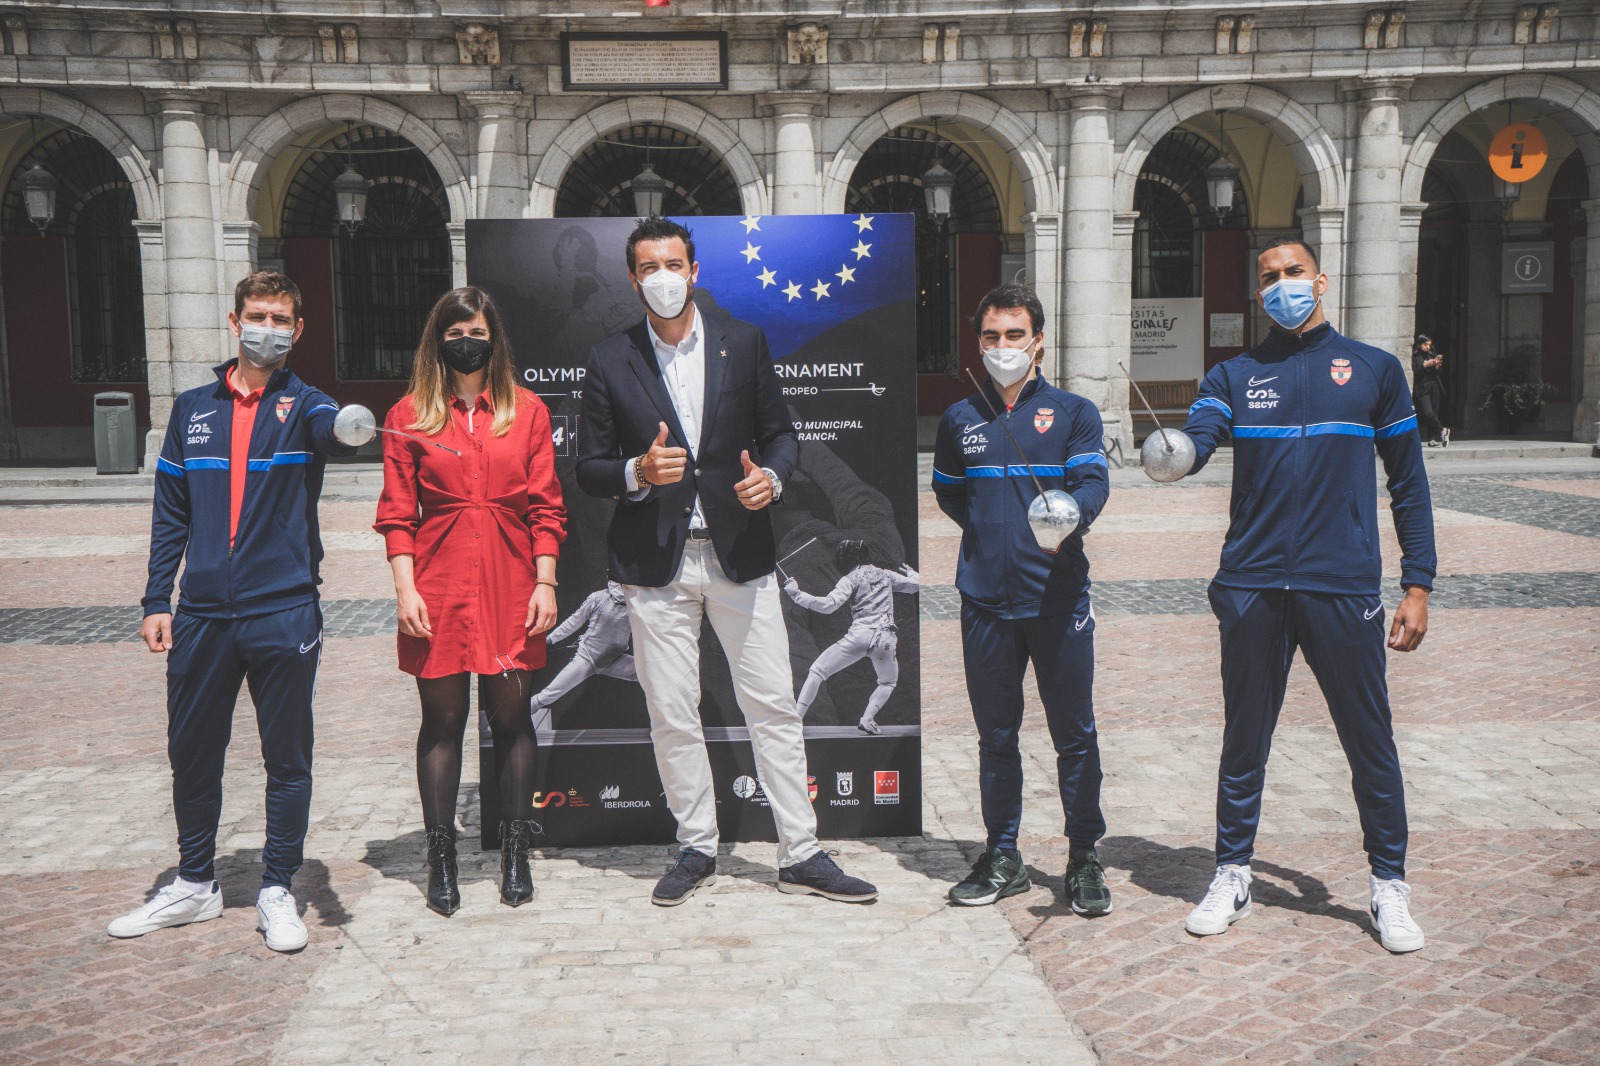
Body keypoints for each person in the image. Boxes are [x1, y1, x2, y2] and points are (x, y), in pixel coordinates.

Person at [575, 216, 878, 907]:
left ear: (694, 271)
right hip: (656, 565)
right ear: (633, 280)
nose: (662, 278)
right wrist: (636, 471)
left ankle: (801, 852)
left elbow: (781, 436)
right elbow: (589, 467)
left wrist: (770, 479)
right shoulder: (610, 358)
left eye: (672, 264)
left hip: (740, 555)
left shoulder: (743, 343)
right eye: (648, 267)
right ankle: (696, 847)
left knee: (772, 703)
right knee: (671, 710)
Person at [1175, 237, 1437, 953]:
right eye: (1269, 277)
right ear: (1258, 292)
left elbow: (1408, 483)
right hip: (1251, 585)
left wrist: (1417, 583)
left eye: (1293, 272)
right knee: (1244, 739)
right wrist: (1178, 452)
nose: (1282, 285)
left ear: (1320, 281)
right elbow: (1201, 435)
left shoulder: (1375, 370)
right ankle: (1232, 872)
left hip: (1341, 583)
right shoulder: (1233, 374)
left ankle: (1389, 884)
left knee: (1369, 739)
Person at [112, 271, 356, 953]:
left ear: (297, 330)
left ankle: (278, 887)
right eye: (257, 315)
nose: (266, 329)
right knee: (192, 753)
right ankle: (194, 882)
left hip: (284, 611)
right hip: (202, 615)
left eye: (280, 319)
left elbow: (334, 430)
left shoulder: (306, 405)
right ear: (233, 320)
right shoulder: (193, 408)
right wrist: (157, 599)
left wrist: (350, 426)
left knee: (288, 758)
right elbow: (170, 514)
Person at [374, 286, 566, 916]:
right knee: (443, 722)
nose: (466, 342)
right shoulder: (408, 415)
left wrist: (546, 582)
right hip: (438, 584)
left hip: (513, 582)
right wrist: (405, 589)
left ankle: (515, 853)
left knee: (512, 720)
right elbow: (397, 513)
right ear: (438, 341)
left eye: (476, 332)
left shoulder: (527, 411)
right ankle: (442, 860)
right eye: (454, 333)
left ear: (493, 338)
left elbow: (547, 507)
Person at [931, 283, 1113, 914]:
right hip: (984, 601)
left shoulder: (1073, 412)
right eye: (991, 336)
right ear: (978, 343)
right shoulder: (960, 418)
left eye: (1015, 335)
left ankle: (1084, 855)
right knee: (996, 737)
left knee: (1075, 736)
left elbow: (1093, 484)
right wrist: (991, 537)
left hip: (1057, 602)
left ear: (1038, 341)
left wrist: (1067, 515)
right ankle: (1003, 856)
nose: (1002, 346)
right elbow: (951, 493)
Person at [782, 539, 918, 735]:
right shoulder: (886, 574)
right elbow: (915, 585)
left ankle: (796, 719)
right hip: (885, 640)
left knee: (817, 672)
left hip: (860, 636)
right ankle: (867, 719)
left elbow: (828, 605)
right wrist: (912, 573)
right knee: (887, 682)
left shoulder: (850, 578)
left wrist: (796, 594)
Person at [529, 581, 638, 732]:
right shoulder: (598, 598)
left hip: (615, 660)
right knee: (547, 696)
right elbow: (574, 622)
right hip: (586, 658)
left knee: (654, 674)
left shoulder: (637, 605)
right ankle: (513, 720)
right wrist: (549, 640)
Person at [1411, 334, 1449, 446]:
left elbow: (1438, 374)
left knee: (1434, 412)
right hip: (1422, 387)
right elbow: (1415, 373)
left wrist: (1437, 366)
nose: (1428, 347)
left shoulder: (1431, 355)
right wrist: (1425, 366)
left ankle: (1431, 439)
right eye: (1425, 344)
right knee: (1428, 412)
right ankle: (1443, 431)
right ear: (1419, 344)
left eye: (1429, 345)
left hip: (1434, 386)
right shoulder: (1414, 357)